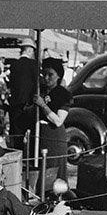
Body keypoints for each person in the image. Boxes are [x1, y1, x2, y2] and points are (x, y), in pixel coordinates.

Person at [35, 58, 72, 186]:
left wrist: (43, 105)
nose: (46, 78)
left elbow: (58, 121)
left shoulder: (63, 94)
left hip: (54, 138)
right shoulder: (41, 91)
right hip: (41, 136)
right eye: (44, 74)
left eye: (50, 75)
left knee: (54, 173)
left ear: (58, 76)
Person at [7, 37, 39, 148]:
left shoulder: (14, 65)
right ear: (30, 50)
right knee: (33, 133)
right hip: (29, 104)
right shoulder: (33, 65)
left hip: (15, 104)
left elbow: (11, 84)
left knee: (17, 135)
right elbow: (36, 84)